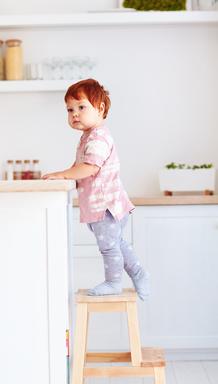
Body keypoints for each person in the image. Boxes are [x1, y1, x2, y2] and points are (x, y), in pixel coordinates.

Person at [42, 79, 150, 300]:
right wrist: (64, 174)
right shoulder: (88, 136)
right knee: (116, 244)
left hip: (106, 206)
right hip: (105, 205)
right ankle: (139, 273)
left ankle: (113, 283)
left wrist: (62, 175)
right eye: (70, 109)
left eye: (82, 107)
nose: (75, 114)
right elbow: (79, 165)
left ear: (100, 109)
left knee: (109, 248)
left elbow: (90, 167)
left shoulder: (98, 136)